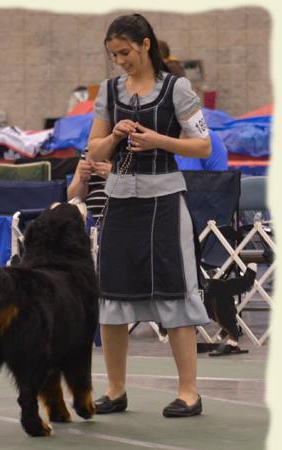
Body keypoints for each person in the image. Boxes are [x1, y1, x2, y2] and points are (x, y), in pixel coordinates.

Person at [88, 13, 212, 418]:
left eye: (125, 52)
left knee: (174, 292)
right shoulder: (108, 92)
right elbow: (94, 153)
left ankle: (189, 392)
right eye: (114, 55)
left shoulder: (178, 89)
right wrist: (116, 137)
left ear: (145, 44)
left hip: (165, 204)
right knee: (111, 296)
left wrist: (157, 139)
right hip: (120, 203)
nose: (120, 61)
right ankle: (115, 389)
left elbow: (203, 146)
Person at [67, 149, 111, 222]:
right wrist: (82, 180)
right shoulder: (91, 149)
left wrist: (115, 177)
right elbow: (73, 199)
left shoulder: (133, 148)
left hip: (122, 219)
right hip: (91, 222)